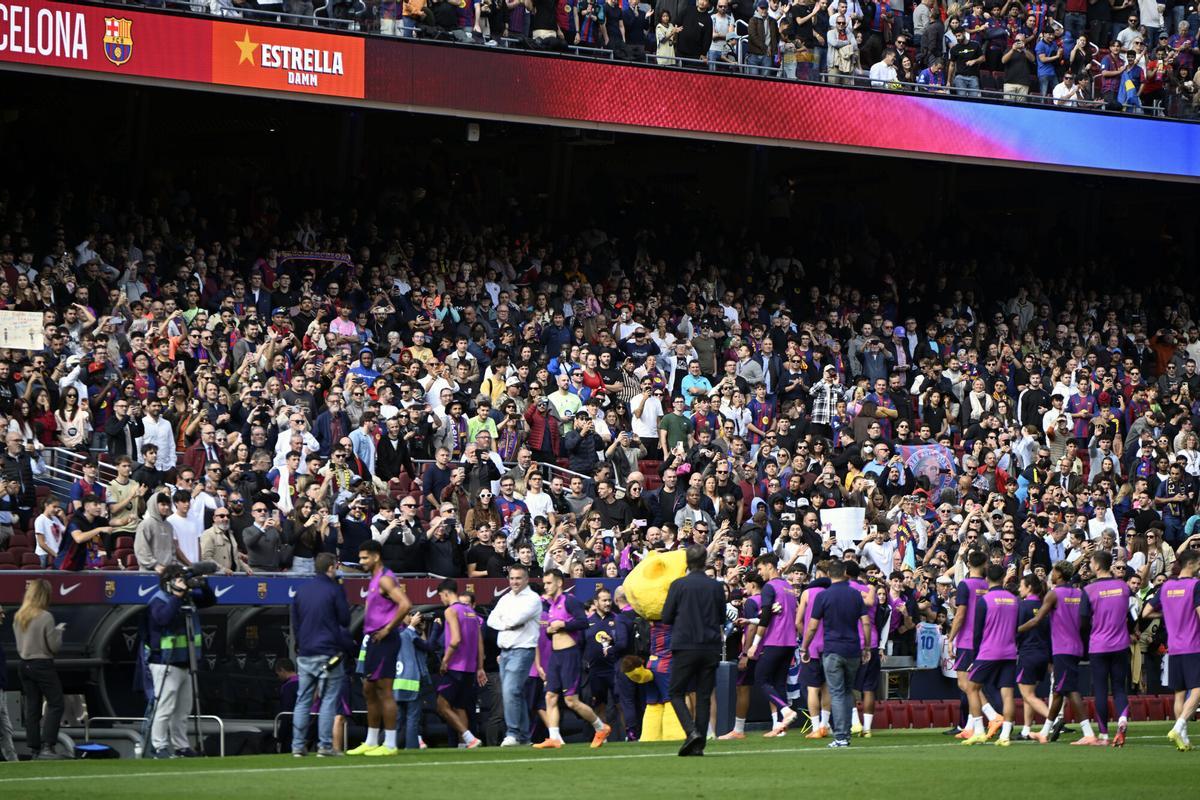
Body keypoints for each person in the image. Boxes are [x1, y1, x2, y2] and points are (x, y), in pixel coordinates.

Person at [533, 569, 612, 748]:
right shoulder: (551, 605)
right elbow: (549, 632)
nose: (545, 586)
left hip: (570, 654)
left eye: (549, 583)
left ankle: (601, 727)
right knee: (550, 696)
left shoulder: (570, 601)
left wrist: (564, 625)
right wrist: (549, 630)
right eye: (544, 583)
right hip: (555, 656)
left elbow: (583, 622)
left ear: (559, 583)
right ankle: (554, 737)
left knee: (571, 701)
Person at [347, 540, 412, 756]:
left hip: (386, 639)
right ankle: (372, 740)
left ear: (376, 557)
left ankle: (390, 744)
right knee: (369, 689)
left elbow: (405, 604)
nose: (361, 561)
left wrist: (387, 629)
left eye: (365, 557)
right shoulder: (374, 579)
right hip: (373, 640)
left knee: (384, 690)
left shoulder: (384, 579)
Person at [144, 564, 217, 758]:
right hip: (164, 662)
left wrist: (203, 583)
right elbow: (163, 619)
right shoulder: (158, 600)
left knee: (183, 709)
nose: (183, 583)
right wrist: (176, 596)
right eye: (178, 579)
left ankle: (181, 746)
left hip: (186, 661)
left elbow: (210, 600)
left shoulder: (188, 598)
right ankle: (159, 746)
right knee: (165, 707)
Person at [661, 544, 726, 757]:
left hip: (686, 645)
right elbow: (721, 617)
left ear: (686, 562)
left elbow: (667, 617)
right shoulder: (716, 586)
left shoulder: (678, 585)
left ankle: (692, 732)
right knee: (704, 695)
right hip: (710, 645)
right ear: (705, 560)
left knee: (675, 692)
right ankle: (698, 744)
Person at [800, 559, 871, 749]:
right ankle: (845, 734)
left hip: (832, 650)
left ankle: (841, 736)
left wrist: (804, 646)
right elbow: (865, 622)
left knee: (838, 693)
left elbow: (813, 626)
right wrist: (867, 647)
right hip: (853, 649)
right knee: (848, 693)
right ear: (846, 574)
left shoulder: (823, 596)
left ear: (830, 575)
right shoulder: (856, 595)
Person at [290, 552, 352, 757]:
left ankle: (298, 746)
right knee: (328, 699)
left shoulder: (301, 591)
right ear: (332, 567)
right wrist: (341, 588)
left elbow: (296, 624)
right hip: (329, 653)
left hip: (306, 652)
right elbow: (344, 619)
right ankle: (324, 746)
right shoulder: (334, 590)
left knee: (303, 700)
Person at [1141, 548, 1200, 751]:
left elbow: (1146, 611)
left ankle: (1183, 739)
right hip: (1193, 645)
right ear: (1191, 564)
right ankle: (1179, 726)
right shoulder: (1195, 585)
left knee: (1180, 693)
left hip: (1173, 647)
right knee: (1198, 690)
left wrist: (1167, 614)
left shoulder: (1165, 587)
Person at [960, 564, 1018, 747]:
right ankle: (1005, 736)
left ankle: (978, 730)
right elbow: (1016, 627)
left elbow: (977, 632)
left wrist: (975, 656)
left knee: (971, 688)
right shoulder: (1014, 600)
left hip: (988, 651)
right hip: (1009, 652)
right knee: (1007, 694)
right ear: (1003, 578)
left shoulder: (984, 601)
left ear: (987, 579)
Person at [1080, 550, 1133, 746]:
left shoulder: (1089, 590)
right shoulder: (1123, 587)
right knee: (1120, 687)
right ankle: (1123, 718)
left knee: (1101, 689)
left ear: (1097, 565)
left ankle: (1103, 734)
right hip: (1120, 644)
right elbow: (1129, 613)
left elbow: (1083, 622)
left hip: (1099, 645)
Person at [486, 564, 543, 746]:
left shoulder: (533, 599)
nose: (514, 582)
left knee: (510, 691)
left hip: (522, 650)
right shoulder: (505, 599)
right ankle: (525, 738)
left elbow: (515, 619)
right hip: (505, 652)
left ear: (526, 579)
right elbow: (491, 620)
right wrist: (507, 623)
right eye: (511, 578)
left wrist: (506, 621)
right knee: (515, 693)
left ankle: (512, 733)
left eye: (518, 578)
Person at [746, 553, 799, 736]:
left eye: (760, 569)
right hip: (790, 642)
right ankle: (780, 727)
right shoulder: (789, 588)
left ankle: (785, 710)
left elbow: (767, 615)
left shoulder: (769, 587)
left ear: (770, 566)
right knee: (779, 683)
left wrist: (755, 644)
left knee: (761, 678)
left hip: (775, 641)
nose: (759, 574)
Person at [13, 579, 66, 759]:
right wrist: (59, 631)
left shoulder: (19, 615)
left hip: (24, 664)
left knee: (32, 707)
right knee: (56, 703)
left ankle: (34, 748)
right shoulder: (45, 617)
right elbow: (53, 647)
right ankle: (48, 746)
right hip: (42, 664)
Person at [434, 578, 486, 749]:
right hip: (470, 668)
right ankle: (465, 744)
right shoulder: (471, 613)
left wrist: (445, 660)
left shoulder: (451, 611)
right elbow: (479, 642)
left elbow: (455, 640)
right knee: (459, 706)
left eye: (441, 596)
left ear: (446, 593)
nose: (441, 599)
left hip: (455, 666)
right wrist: (479, 667)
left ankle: (469, 738)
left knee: (442, 706)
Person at [947, 550, 989, 737]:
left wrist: (950, 638)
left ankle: (992, 715)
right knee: (973, 684)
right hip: (984, 639)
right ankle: (971, 726)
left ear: (969, 564)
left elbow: (961, 614)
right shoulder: (988, 585)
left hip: (967, 639)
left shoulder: (965, 585)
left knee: (966, 685)